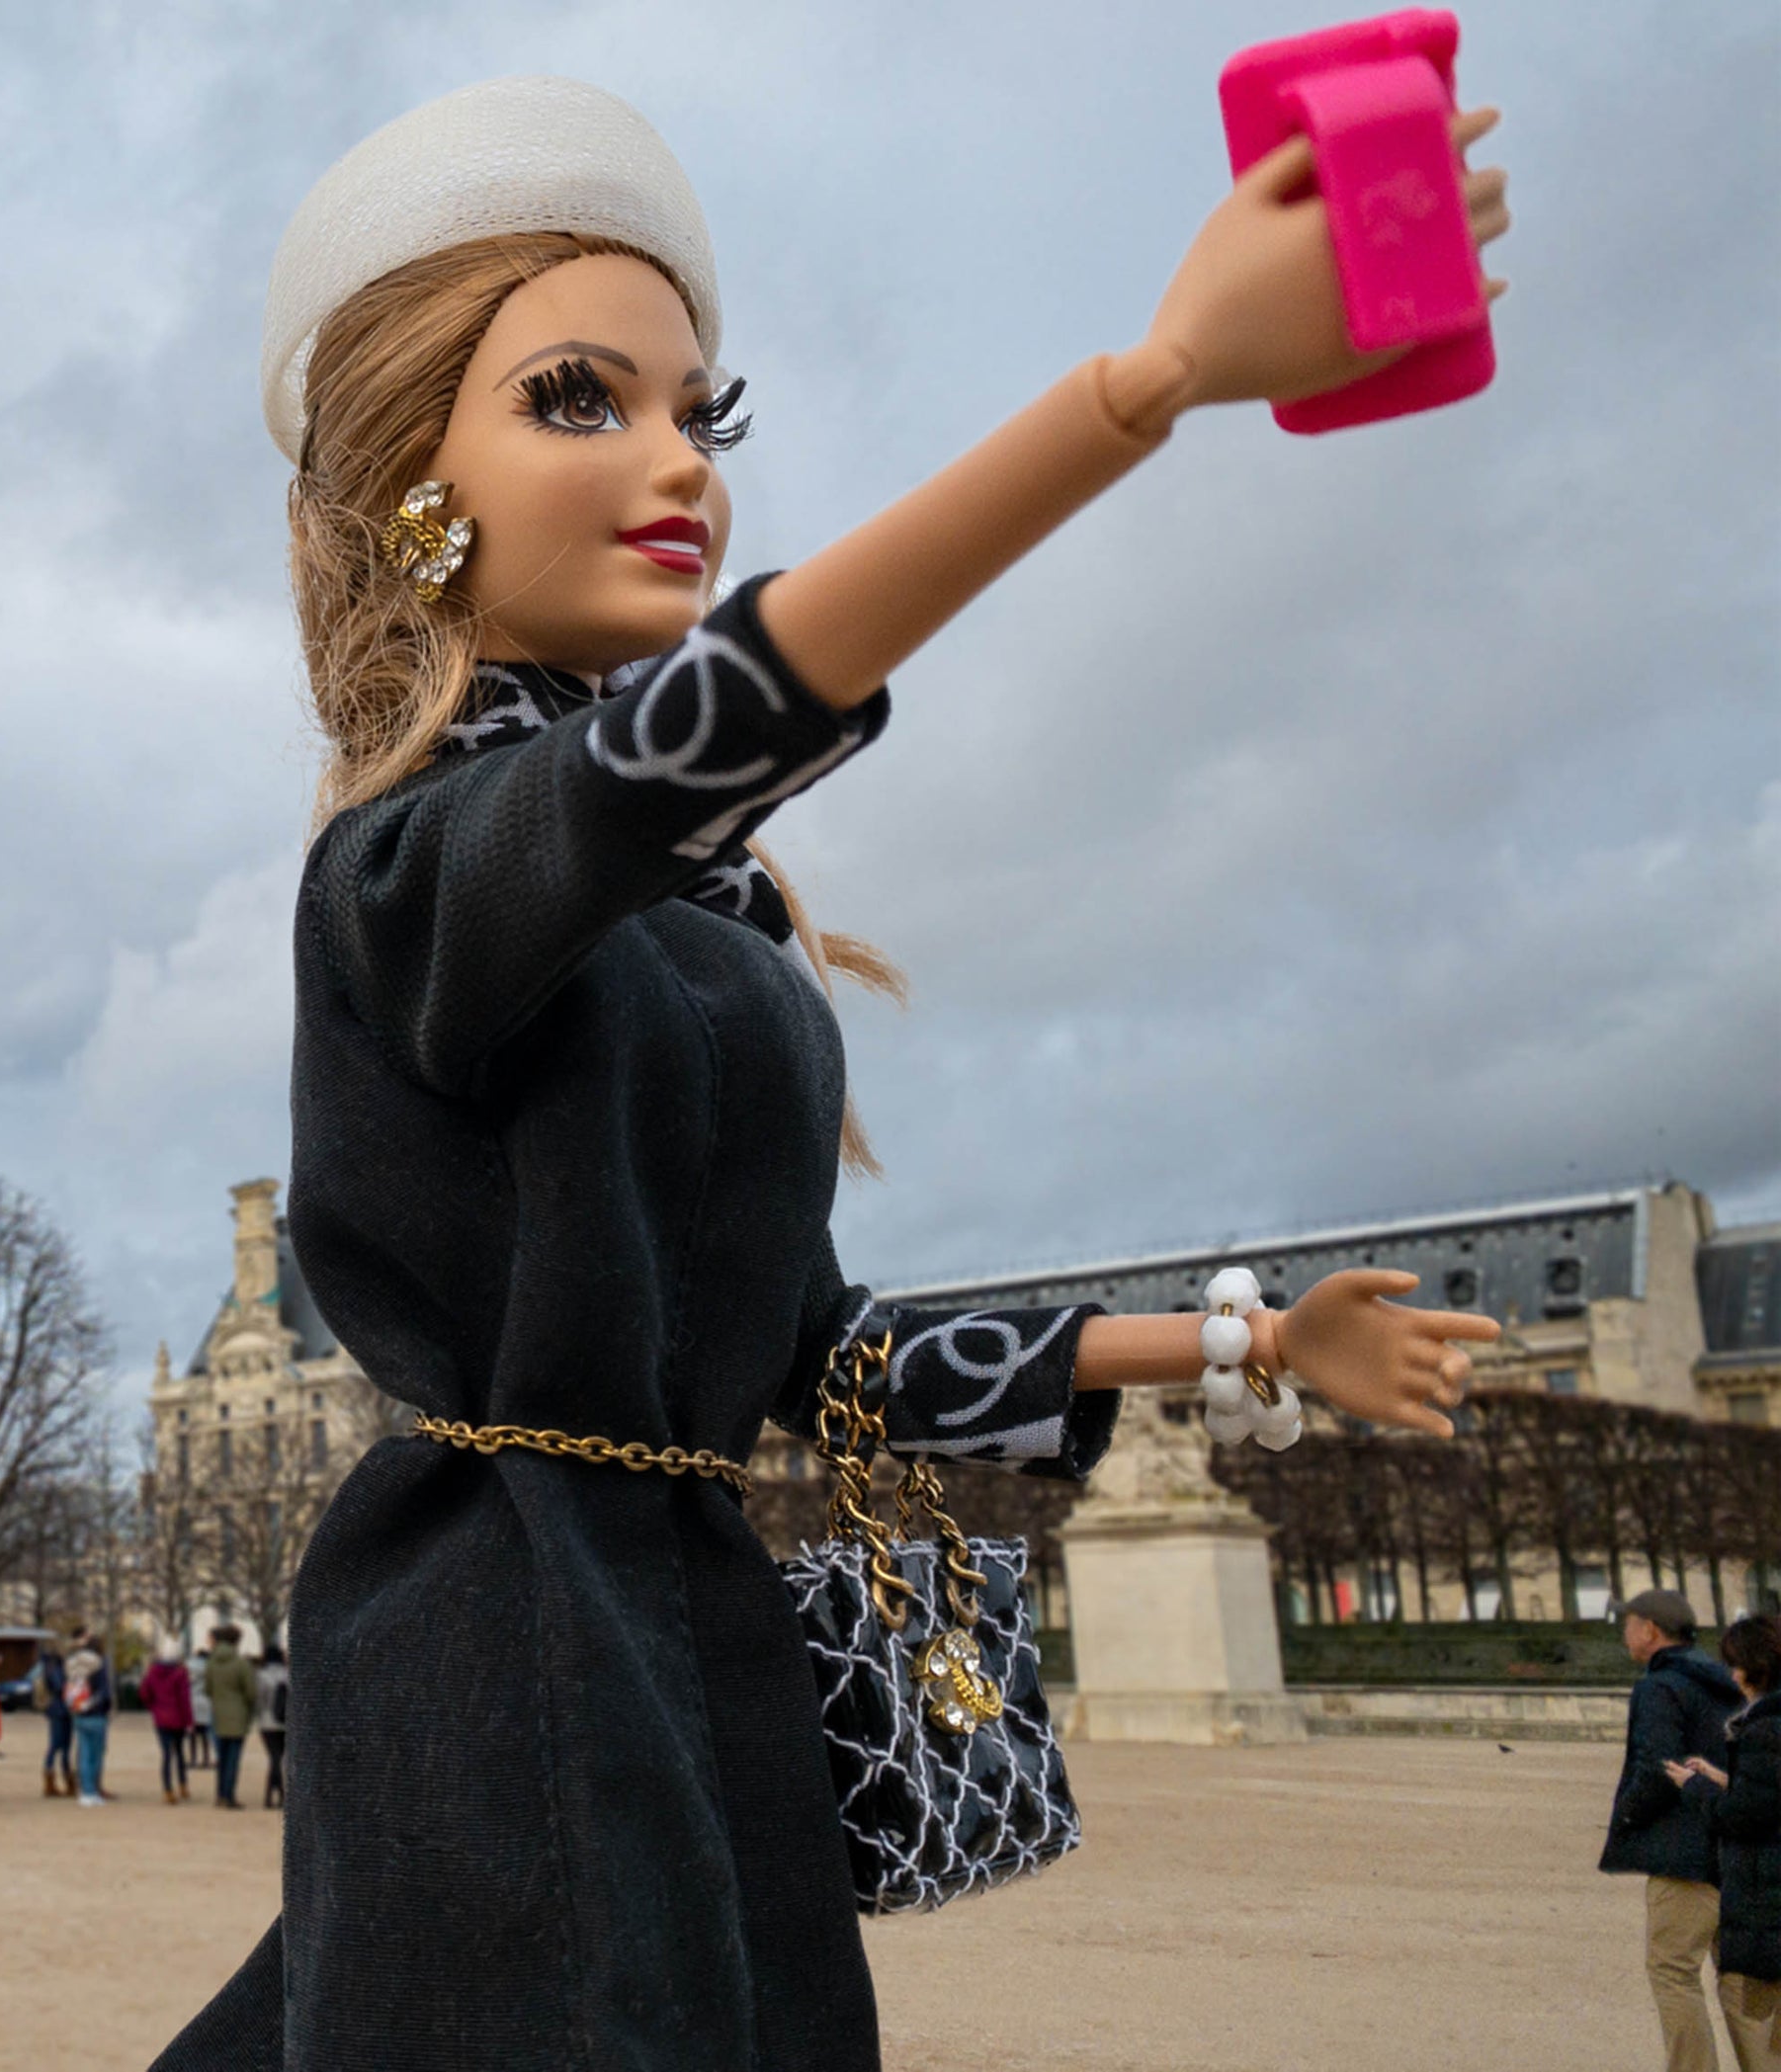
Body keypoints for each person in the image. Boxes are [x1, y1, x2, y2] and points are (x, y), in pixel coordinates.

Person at [153, 75, 1509, 2072]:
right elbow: (670, 756)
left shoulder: (722, 929)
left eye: (705, 411)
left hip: (697, 1625)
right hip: (495, 1641)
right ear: (401, 490)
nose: (677, 461)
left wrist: (1238, 1345)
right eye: (577, 397)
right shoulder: (412, 872)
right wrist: (1137, 390)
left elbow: (832, 1360)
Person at [1601, 1588, 1761, 2071]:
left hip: (1685, 1852)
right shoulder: (1731, 1684)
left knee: (1673, 1972)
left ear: (1650, 1630)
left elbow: (1657, 1767)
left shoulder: (1659, 1687)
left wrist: (1628, 1817)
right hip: (1738, 1848)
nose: (1624, 1632)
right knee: (1741, 1976)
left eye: (1628, 1623)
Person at [1666, 1613, 1781, 2068]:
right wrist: (1724, 1779)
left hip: (1766, 1897)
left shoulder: (1767, 1728)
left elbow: (1745, 1817)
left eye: (1736, 1664)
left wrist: (1695, 1790)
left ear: (1757, 1668)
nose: (1732, 1674)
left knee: (1759, 2015)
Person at [206, 1624, 257, 1811]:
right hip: (238, 1715)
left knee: (222, 1758)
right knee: (233, 1760)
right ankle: (229, 1795)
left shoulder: (212, 1662)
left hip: (218, 1714)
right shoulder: (241, 1664)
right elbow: (251, 1692)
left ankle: (220, 1794)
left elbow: (207, 1689)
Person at [138, 1639, 195, 1805]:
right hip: (178, 1717)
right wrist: (189, 1720)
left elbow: (144, 1693)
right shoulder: (180, 1673)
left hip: (161, 1717)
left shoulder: (152, 1672)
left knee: (166, 1755)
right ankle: (183, 1784)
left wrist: (153, 1707)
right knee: (180, 1753)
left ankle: (167, 1789)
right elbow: (184, 1699)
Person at [67, 1633, 113, 1807]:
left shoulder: (74, 1664)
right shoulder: (99, 1665)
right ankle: (92, 1790)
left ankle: (84, 1790)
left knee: (84, 1753)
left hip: (78, 1712)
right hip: (96, 1713)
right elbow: (104, 1692)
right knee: (96, 1755)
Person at [37, 1635, 75, 1797]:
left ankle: (65, 1780)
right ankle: (54, 1780)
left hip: (60, 1708)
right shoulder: (54, 1665)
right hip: (59, 1708)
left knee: (63, 1745)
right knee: (58, 1744)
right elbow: (59, 1685)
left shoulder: (51, 1664)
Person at [254, 1643, 289, 1812]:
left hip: (267, 1722)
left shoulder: (262, 1675)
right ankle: (276, 1794)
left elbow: (259, 1701)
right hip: (285, 1722)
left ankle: (272, 1794)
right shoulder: (288, 1674)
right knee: (278, 1757)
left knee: (274, 1758)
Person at [187, 1644, 213, 1770]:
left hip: (192, 1701)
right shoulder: (211, 1667)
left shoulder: (189, 1666)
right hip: (207, 1702)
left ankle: (193, 1759)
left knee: (192, 1734)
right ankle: (206, 1759)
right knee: (205, 1735)